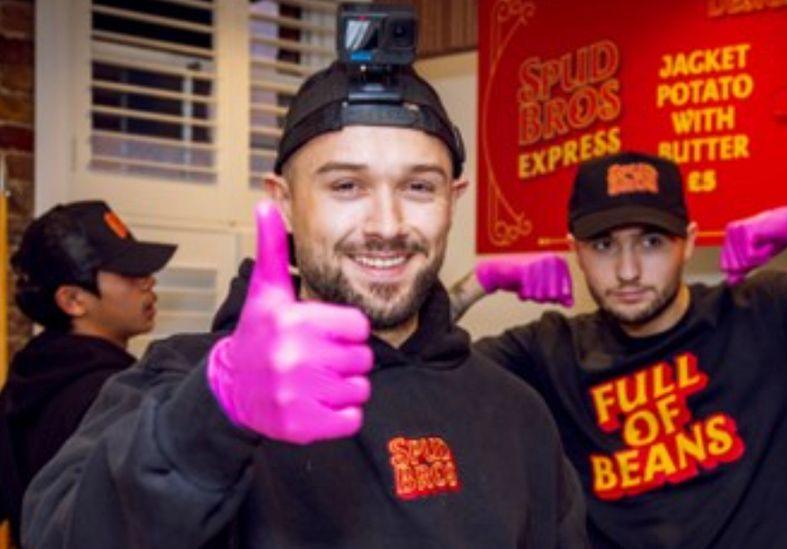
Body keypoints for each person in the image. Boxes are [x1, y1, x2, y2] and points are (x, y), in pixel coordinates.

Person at [20, 53, 588, 548]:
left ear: (453, 199)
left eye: (419, 186)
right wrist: (209, 422)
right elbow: (60, 534)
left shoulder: (515, 413)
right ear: (285, 203)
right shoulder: (180, 383)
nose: (387, 225)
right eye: (346, 186)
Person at [451, 151, 787, 548]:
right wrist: (478, 281)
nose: (629, 270)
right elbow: (403, 370)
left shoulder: (769, 315)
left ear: (688, 241)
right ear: (574, 253)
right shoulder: (547, 352)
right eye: (604, 245)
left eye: (652, 242)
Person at [0, 201, 176, 544]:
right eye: (129, 272)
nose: (148, 281)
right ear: (73, 300)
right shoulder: (109, 393)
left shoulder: (32, 375)